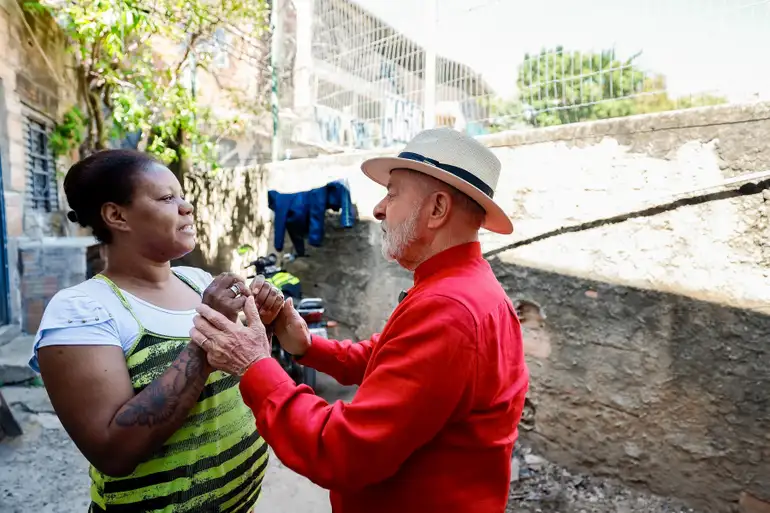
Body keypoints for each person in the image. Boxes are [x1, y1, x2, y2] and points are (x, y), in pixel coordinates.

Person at [191, 128, 530, 513]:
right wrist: (305, 344)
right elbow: (387, 358)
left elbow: (341, 451)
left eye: (392, 193)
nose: (379, 209)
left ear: (437, 209)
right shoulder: (463, 288)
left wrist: (254, 364)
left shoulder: (449, 308)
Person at [28, 149, 278, 513]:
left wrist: (265, 326)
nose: (187, 207)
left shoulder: (198, 281)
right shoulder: (81, 311)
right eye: (166, 198)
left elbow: (236, 376)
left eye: (182, 196)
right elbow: (113, 452)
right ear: (116, 216)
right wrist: (206, 339)